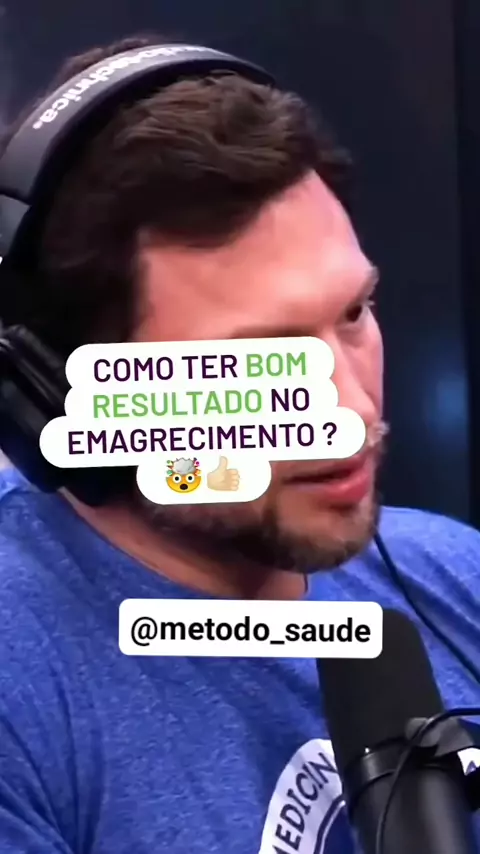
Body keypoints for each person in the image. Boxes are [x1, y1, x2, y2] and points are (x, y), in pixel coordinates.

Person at [0, 34, 479, 854]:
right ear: (55, 391)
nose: (350, 407)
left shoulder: (454, 574)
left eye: (353, 314)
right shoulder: (23, 687)